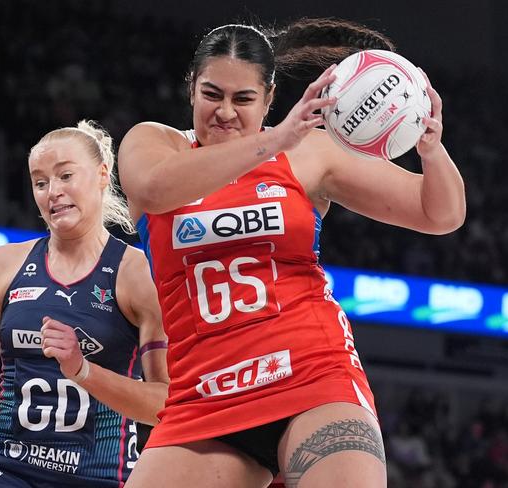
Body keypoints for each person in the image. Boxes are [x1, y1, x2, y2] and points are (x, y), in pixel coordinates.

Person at [118, 19, 465, 488]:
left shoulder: (310, 154)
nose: (225, 112)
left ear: (269, 97)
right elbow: (152, 191)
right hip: (205, 396)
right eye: (212, 94)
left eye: (243, 99)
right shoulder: (155, 143)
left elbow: (440, 213)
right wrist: (274, 139)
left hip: (313, 375)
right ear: (191, 88)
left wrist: (430, 147)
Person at [0, 120, 169, 487]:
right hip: (6, 465)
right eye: (40, 183)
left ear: (103, 175)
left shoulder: (139, 274)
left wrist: (84, 370)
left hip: (98, 475)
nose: (52, 192)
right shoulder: (1, 265)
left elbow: (165, 404)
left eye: (65, 176)